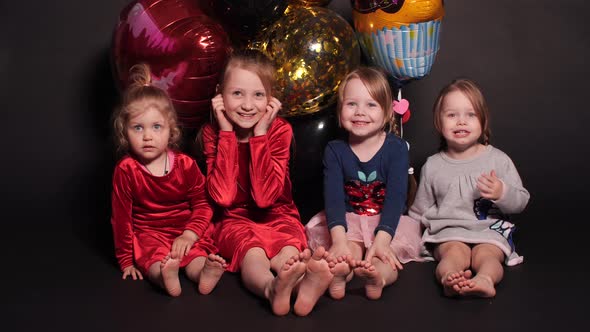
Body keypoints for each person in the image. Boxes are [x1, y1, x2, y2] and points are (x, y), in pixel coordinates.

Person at [201, 49, 333, 316]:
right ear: (219, 94)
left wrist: (260, 135)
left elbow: (265, 199)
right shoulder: (212, 133)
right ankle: (270, 289)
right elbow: (224, 196)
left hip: (279, 215)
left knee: (289, 254)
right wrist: (227, 133)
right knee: (253, 254)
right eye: (237, 93)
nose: (248, 105)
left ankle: (302, 287)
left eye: (258, 95)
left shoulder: (280, 130)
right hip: (234, 220)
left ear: (270, 99)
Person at [305, 67, 425, 301]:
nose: (360, 112)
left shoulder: (396, 149)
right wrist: (338, 240)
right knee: (346, 249)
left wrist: (382, 239)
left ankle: (377, 278)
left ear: (389, 113)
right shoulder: (335, 150)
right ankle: (339, 273)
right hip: (349, 220)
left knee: (386, 258)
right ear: (340, 112)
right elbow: (334, 200)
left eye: (371, 105)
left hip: (388, 222)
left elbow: (395, 199)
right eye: (352, 104)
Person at [110, 63, 227, 297]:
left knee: (195, 254)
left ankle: (202, 273)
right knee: (153, 258)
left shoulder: (185, 165)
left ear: (170, 130)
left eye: (156, 127)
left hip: (185, 229)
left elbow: (203, 205)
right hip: (150, 233)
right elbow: (121, 218)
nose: (147, 136)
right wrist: (125, 261)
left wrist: (189, 234)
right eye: (137, 128)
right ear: (124, 132)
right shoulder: (127, 170)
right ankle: (164, 276)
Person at [409, 78, 530, 298]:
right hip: (449, 231)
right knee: (453, 254)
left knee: (488, 255)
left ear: (483, 121)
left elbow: (521, 200)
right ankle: (449, 278)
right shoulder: (433, 165)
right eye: (452, 115)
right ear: (439, 122)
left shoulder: (497, 160)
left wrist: (502, 192)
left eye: (470, 115)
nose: (461, 122)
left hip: (487, 229)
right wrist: (406, 237)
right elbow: (419, 210)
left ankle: (485, 279)